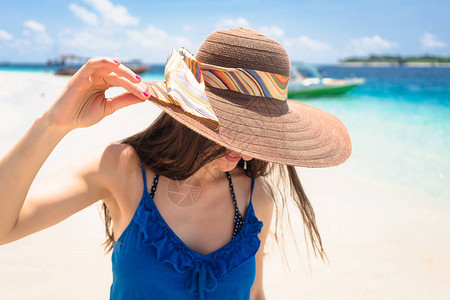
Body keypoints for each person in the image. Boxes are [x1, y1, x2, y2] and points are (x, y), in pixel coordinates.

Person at [0, 28, 351, 299]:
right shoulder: (120, 169)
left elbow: (254, 293)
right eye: (236, 132)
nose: (246, 153)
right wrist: (52, 125)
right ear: (192, 115)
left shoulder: (258, 196)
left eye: (258, 135)